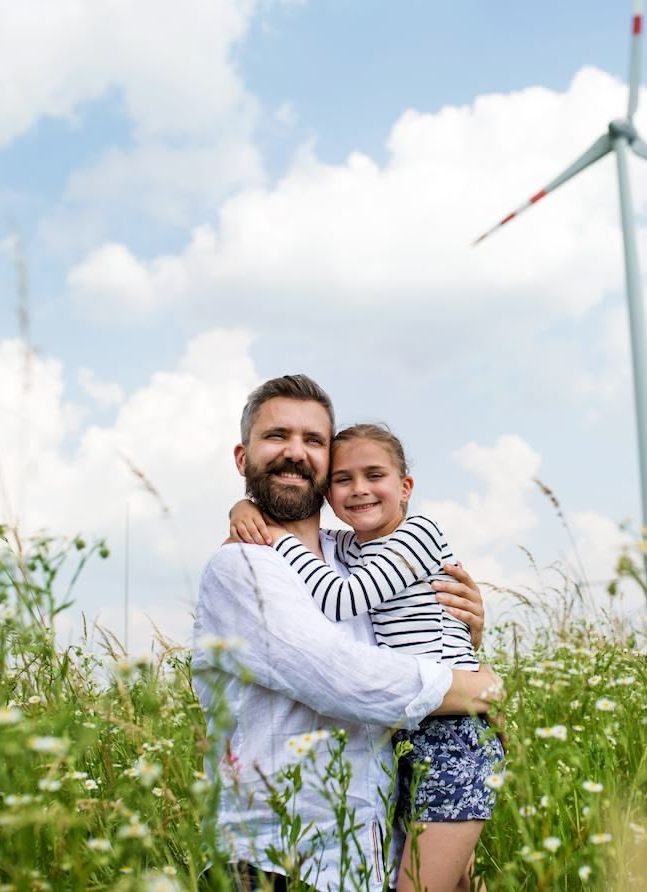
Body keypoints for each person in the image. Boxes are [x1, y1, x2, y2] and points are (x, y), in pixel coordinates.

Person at [192, 375, 501, 892]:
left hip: (370, 861)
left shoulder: (356, 554)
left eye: (313, 441)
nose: (295, 452)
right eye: (277, 437)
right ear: (242, 458)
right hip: (275, 864)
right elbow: (340, 676)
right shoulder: (240, 565)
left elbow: (409, 636)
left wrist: (468, 637)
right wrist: (472, 688)